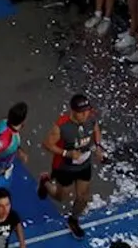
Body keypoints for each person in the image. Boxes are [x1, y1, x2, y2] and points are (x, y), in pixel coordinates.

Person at [37, 94, 103, 240]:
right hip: (64, 167)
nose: (86, 114)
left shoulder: (90, 118)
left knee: (83, 196)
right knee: (61, 197)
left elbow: (96, 129)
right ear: (72, 111)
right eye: (82, 112)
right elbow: (47, 144)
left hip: (84, 164)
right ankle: (45, 182)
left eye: (87, 111)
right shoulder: (61, 126)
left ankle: (73, 220)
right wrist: (67, 153)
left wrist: (98, 146)